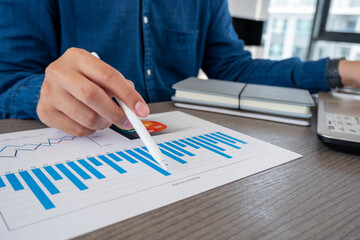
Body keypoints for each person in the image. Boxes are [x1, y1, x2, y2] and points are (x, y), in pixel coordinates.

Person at [0, 0, 359, 137]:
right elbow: (9, 78)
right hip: (79, 147)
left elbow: (232, 68)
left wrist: (338, 70)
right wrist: (40, 92)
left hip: (183, 147)